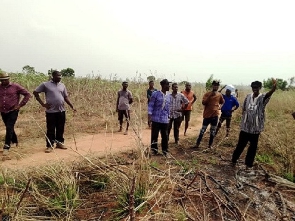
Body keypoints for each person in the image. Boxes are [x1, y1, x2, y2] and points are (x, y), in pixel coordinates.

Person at [232, 80, 276, 168]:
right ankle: (234, 160)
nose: (254, 89)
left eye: (256, 87)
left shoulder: (262, 97)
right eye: (253, 87)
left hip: (255, 129)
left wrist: (273, 88)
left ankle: (248, 164)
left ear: (260, 88)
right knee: (240, 145)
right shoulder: (248, 96)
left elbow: (268, 94)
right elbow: (244, 108)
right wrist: (245, 118)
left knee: (252, 147)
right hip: (245, 127)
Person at [33, 70, 76, 153]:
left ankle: (60, 143)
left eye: (60, 76)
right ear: (53, 76)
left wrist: (72, 106)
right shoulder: (45, 85)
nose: (59, 78)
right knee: (51, 129)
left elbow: (65, 97)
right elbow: (35, 92)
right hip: (51, 112)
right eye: (57, 76)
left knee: (60, 128)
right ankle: (49, 145)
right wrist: (43, 104)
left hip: (61, 111)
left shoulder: (62, 85)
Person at [0, 72, 31, 156]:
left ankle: (6, 146)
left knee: (9, 127)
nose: (3, 82)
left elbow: (27, 94)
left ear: (9, 79)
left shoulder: (15, 86)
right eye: (2, 80)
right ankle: (15, 141)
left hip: (13, 111)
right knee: (8, 126)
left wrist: (20, 105)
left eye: (5, 80)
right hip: (3, 111)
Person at [193, 80, 225, 149]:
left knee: (212, 131)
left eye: (217, 85)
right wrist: (210, 95)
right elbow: (204, 103)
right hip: (207, 115)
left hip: (215, 115)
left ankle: (210, 145)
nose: (215, 86)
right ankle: (197, 144)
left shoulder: (219, 95)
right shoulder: (207, 94)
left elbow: (222, 102)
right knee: (202, 130)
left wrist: (220, 107)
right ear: (212, 86)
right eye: (214, 85)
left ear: (218, 86)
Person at [148, 79, 171, 157]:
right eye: (167, 84)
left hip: (165, 119)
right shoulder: (155, 94)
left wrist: (169, 116)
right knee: (154, 135)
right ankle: (154, 150)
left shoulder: (168, 96)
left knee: (165, 136)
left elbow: (168, 108)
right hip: (156, 118)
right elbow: (151, 105)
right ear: (163, 85)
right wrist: (149, 117)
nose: (169, 86)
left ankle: (165, 151)